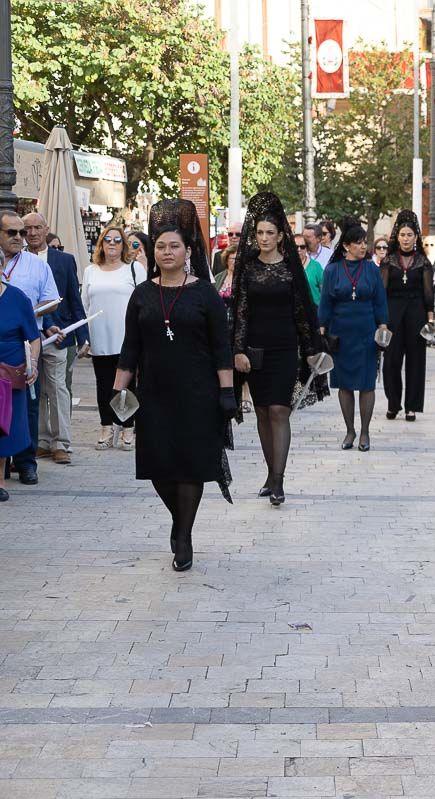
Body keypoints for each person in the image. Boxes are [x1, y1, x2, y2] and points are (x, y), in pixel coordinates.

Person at [112, 199, 236, 572]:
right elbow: (130, 347)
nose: (167, 252)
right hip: (155, 395)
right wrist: (119, 393)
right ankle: (179, 519)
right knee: (159, 466)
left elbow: (221, 347)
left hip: (199, 394)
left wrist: (227, 392)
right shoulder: (142, 294)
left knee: (192, 466)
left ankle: (183, 535)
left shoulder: (204, 293)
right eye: (161, 246)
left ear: (188, 251)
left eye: (174, 246)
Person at [231, 192, 328, 504]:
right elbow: (240, 312)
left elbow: (302, 312)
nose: (263, 238)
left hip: (285, 347)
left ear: (280, 235)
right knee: (261, 412)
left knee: (279, 411)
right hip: (255, 348)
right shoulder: (247, 268)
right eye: (259, 232)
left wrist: (312, 348)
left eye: (269, 233)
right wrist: (238, 350)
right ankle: (271, 474)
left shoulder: (290, 269)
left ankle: (279, 481)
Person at [0, 211, 58, 487]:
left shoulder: (36, 265)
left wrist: (21, 311)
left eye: (22, 233)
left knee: (26, 409)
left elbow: (52, 300)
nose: (20, 238)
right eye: (12, 233)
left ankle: (26, 463)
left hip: (24, 344)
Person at [24, 212, 87, 466]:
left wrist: (83, 336)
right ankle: (41, 441)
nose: (32, 232)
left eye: (37, 227)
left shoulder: (64, 260)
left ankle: (61, 443)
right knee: (34, 389)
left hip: (59, 336)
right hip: (28, 335)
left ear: (46, 229)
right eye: (27, 228)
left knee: (58, 389)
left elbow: (73, 297)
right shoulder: (17, 261)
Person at [319, 219, 387, 451]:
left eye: (364, 242)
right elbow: (326, 302)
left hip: (366, 331)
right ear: (346, 246)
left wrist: (383, 325)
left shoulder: (372, 269)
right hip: (341, 333)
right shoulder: (332, 270)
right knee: (345, 384)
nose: (363, 247)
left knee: (367, 384)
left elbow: (380, 299)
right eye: (358, 243)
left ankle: (365, 432)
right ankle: (349, 430)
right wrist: (322, 328)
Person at [82, 226, 145, 451]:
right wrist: (85, 339)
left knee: (127, 385)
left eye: (117, 240)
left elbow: (144, 304)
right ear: (101, 244)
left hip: (127, 336)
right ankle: (106, 427)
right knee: (103, 384)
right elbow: (85, 305)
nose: (112, 244)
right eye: (107, 240)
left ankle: (128, 426)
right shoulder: (91, 271)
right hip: (100, 335)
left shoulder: (134, 269)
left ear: (123, 245)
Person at [380, 211, 435, 422]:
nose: (405, 238)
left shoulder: (423, 261)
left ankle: (412, 406)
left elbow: (428, 292)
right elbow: (381, 292)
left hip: (417, 314)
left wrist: (430, 320)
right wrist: (381, 321)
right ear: (397, 236)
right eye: (402, 234)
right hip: (392, 314)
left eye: (409, 235)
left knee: (416, 360)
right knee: (391, 361)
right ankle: (393, 403)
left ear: (415, 237)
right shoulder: (389, 261)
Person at [0, 281, 40, 502]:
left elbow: (33, 337)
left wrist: (32, 363)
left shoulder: (17, 298)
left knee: (5, 426)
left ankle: (0, 481)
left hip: (9, 371)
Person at [293, 232, 323, 306]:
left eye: (302, 247)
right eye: (295, 246)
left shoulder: (316, 266)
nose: (299, 249)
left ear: (306, 248)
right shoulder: (285, 266)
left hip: (314, 310)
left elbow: (324, 291)